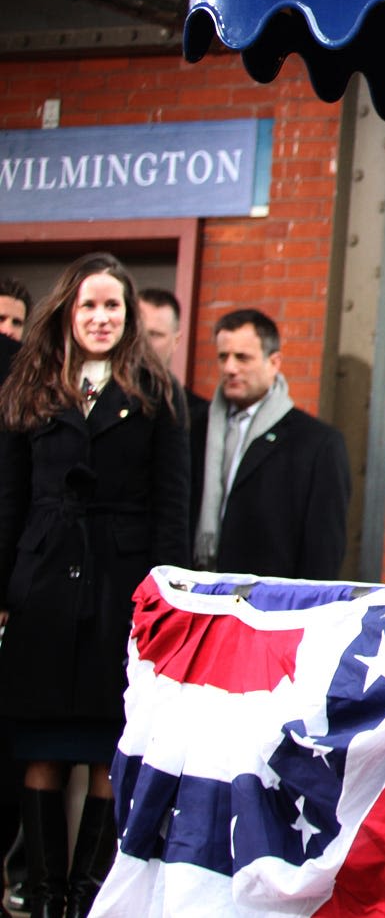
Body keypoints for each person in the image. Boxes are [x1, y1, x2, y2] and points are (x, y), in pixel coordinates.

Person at [0, 252, 189, 918]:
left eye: (113, 305)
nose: (101, 317)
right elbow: (10, 497)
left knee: (111, 752)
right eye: (89, 305)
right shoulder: (30, 388)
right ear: (69, 313)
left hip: (122, 594)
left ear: (129, 315)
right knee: (43, 752)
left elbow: (173, 509)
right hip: (44, 591)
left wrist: (164, 601)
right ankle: (44, 897)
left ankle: (86, 898)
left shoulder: (157, 394)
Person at [191, 309, 350, 579]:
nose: (230, 368)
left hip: (269, 606)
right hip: (197, 592)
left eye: (242, 357)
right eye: (223, 357)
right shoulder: (194, 427)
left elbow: (323, 552)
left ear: (274, 363)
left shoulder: (317, 444)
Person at [138, 287, 206, 428]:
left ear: (175, 341)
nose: (143, 343)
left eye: (154, 334)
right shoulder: (100, 394)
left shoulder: (198, 415)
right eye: (137, 332)